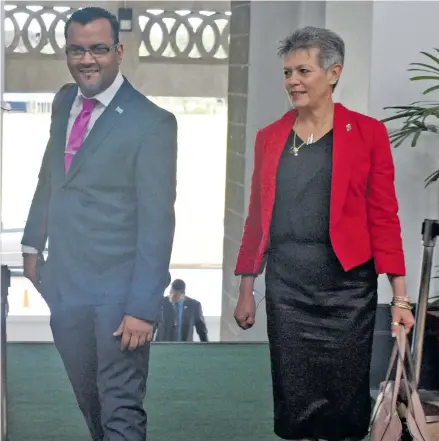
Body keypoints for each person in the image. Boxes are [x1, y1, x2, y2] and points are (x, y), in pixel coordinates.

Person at [233, 26, 415, 441]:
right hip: (288, 288)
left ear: (334, 73)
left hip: (347, 289)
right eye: (287, 72)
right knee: (296, 401)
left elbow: (384, 217)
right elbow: (257, 220)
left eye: (303, 71)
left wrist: (400, 297)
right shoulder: (269, 137)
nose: (292, 81)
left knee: (345, 402)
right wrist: (247, 286)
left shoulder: (368, 133)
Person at [21, 7, 177, 441]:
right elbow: (50, 176)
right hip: (65, 287)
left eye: (98, 49)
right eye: (76, 50)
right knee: (91, 404)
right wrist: (33, 247)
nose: (87, 59)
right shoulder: (63, 101)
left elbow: (157, 223)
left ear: (119, 52)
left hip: (119, 295)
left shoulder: (153, 123)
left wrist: (142, 308)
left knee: (120, 410)